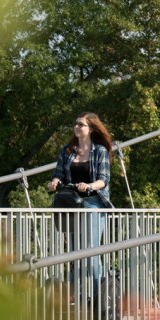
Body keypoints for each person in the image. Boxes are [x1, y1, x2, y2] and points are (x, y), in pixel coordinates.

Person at [46, 112, 114, 288]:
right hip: (72, 204)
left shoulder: (100, 151)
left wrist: (90, 185)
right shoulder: (67, 150)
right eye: (75, 124)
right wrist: (54, 182)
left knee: (91, 250)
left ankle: (100, 295)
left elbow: (103, 179)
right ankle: (76, 294)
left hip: (93, 202)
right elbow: (58, 174)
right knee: (74, 253)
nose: (76, 127)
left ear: (91, 129)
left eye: (81, 124)